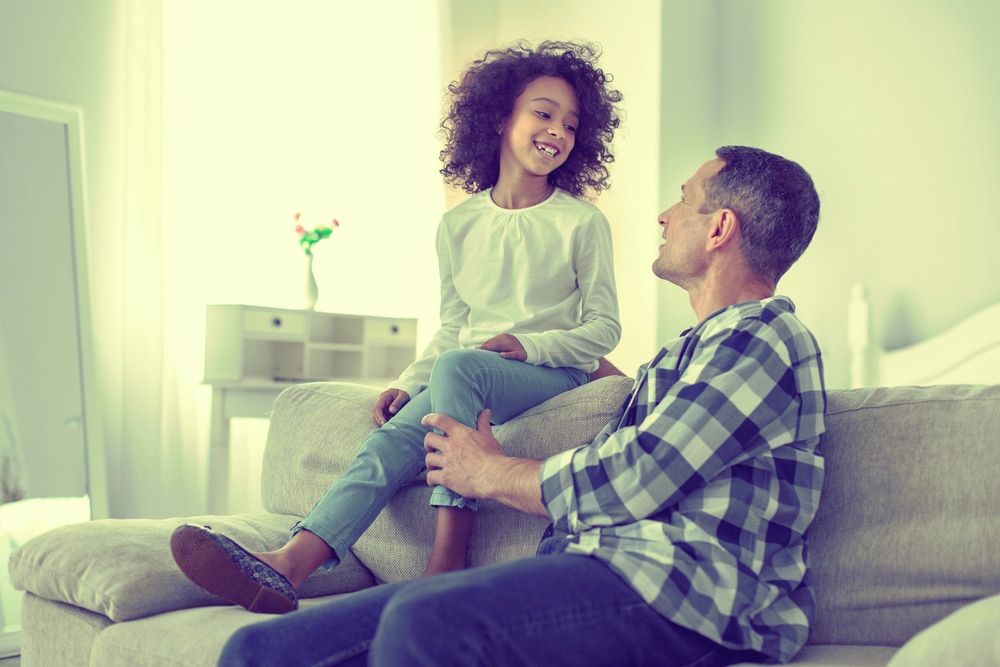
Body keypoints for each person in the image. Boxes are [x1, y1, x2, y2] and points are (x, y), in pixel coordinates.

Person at [215, 145, 826, 667]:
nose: (664, 216)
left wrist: (489, 472)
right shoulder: (682, 357)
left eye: (684, 199)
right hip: (601, 572)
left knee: (426, 623)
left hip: (690, 597)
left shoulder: (761, 335)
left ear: (719, 229)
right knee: (259, 653)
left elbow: (637, 478)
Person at [171, 40, 624, 613]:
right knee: (384, 446)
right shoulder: (457, 224)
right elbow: (454, 326)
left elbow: (603, 329)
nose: (557, 130)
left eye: (570, 123)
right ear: (500, 116)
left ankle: (446, 561)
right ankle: (288, 566)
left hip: (549, 374)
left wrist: (527, 345)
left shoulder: (582, 222)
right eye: (543, 112)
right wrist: (411, 383)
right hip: (467, 376)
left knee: (462, 367)